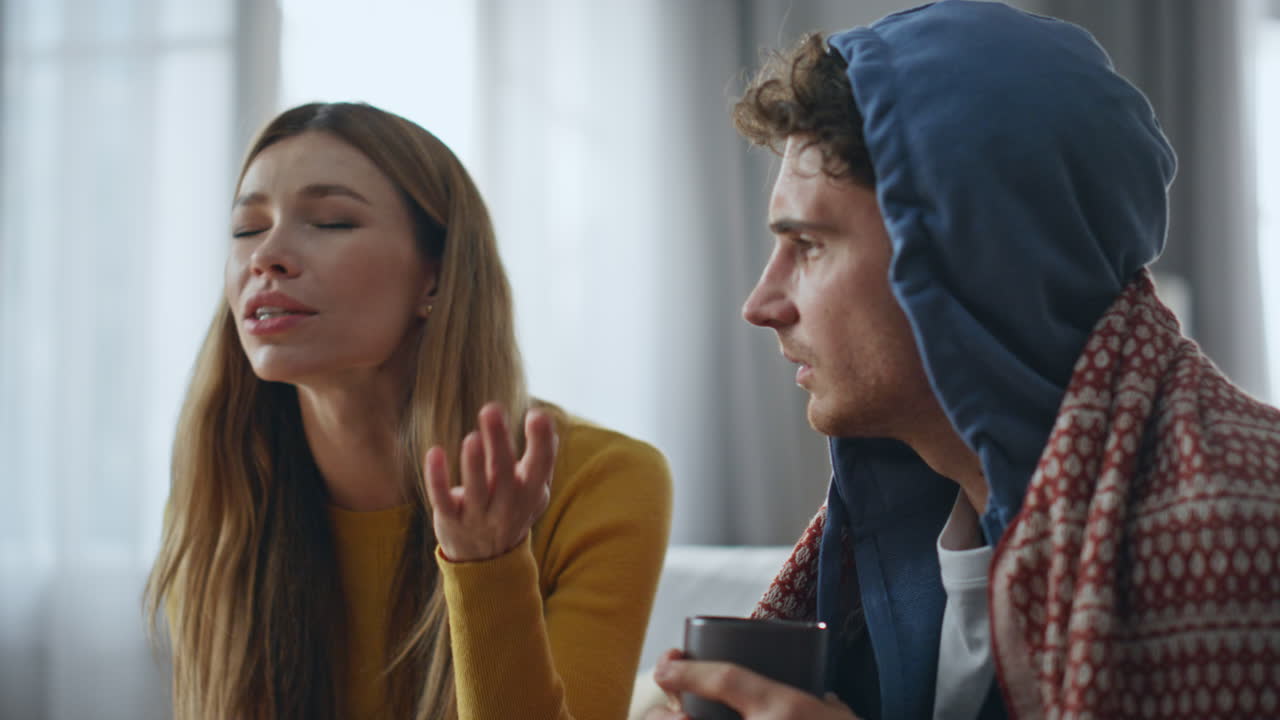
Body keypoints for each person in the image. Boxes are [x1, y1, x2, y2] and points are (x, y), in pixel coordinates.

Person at [647, 2, 1280, 719]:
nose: (760, 303)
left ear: (964, 259)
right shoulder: (888, 546)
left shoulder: (1240, 536)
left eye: (811, 246)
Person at [145, 101, 672, 720]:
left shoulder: (603, 479)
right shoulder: (226, 484)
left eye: (332, 222)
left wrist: (488, 565)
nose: (268, 255)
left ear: (438, 278)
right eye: (246, 229)